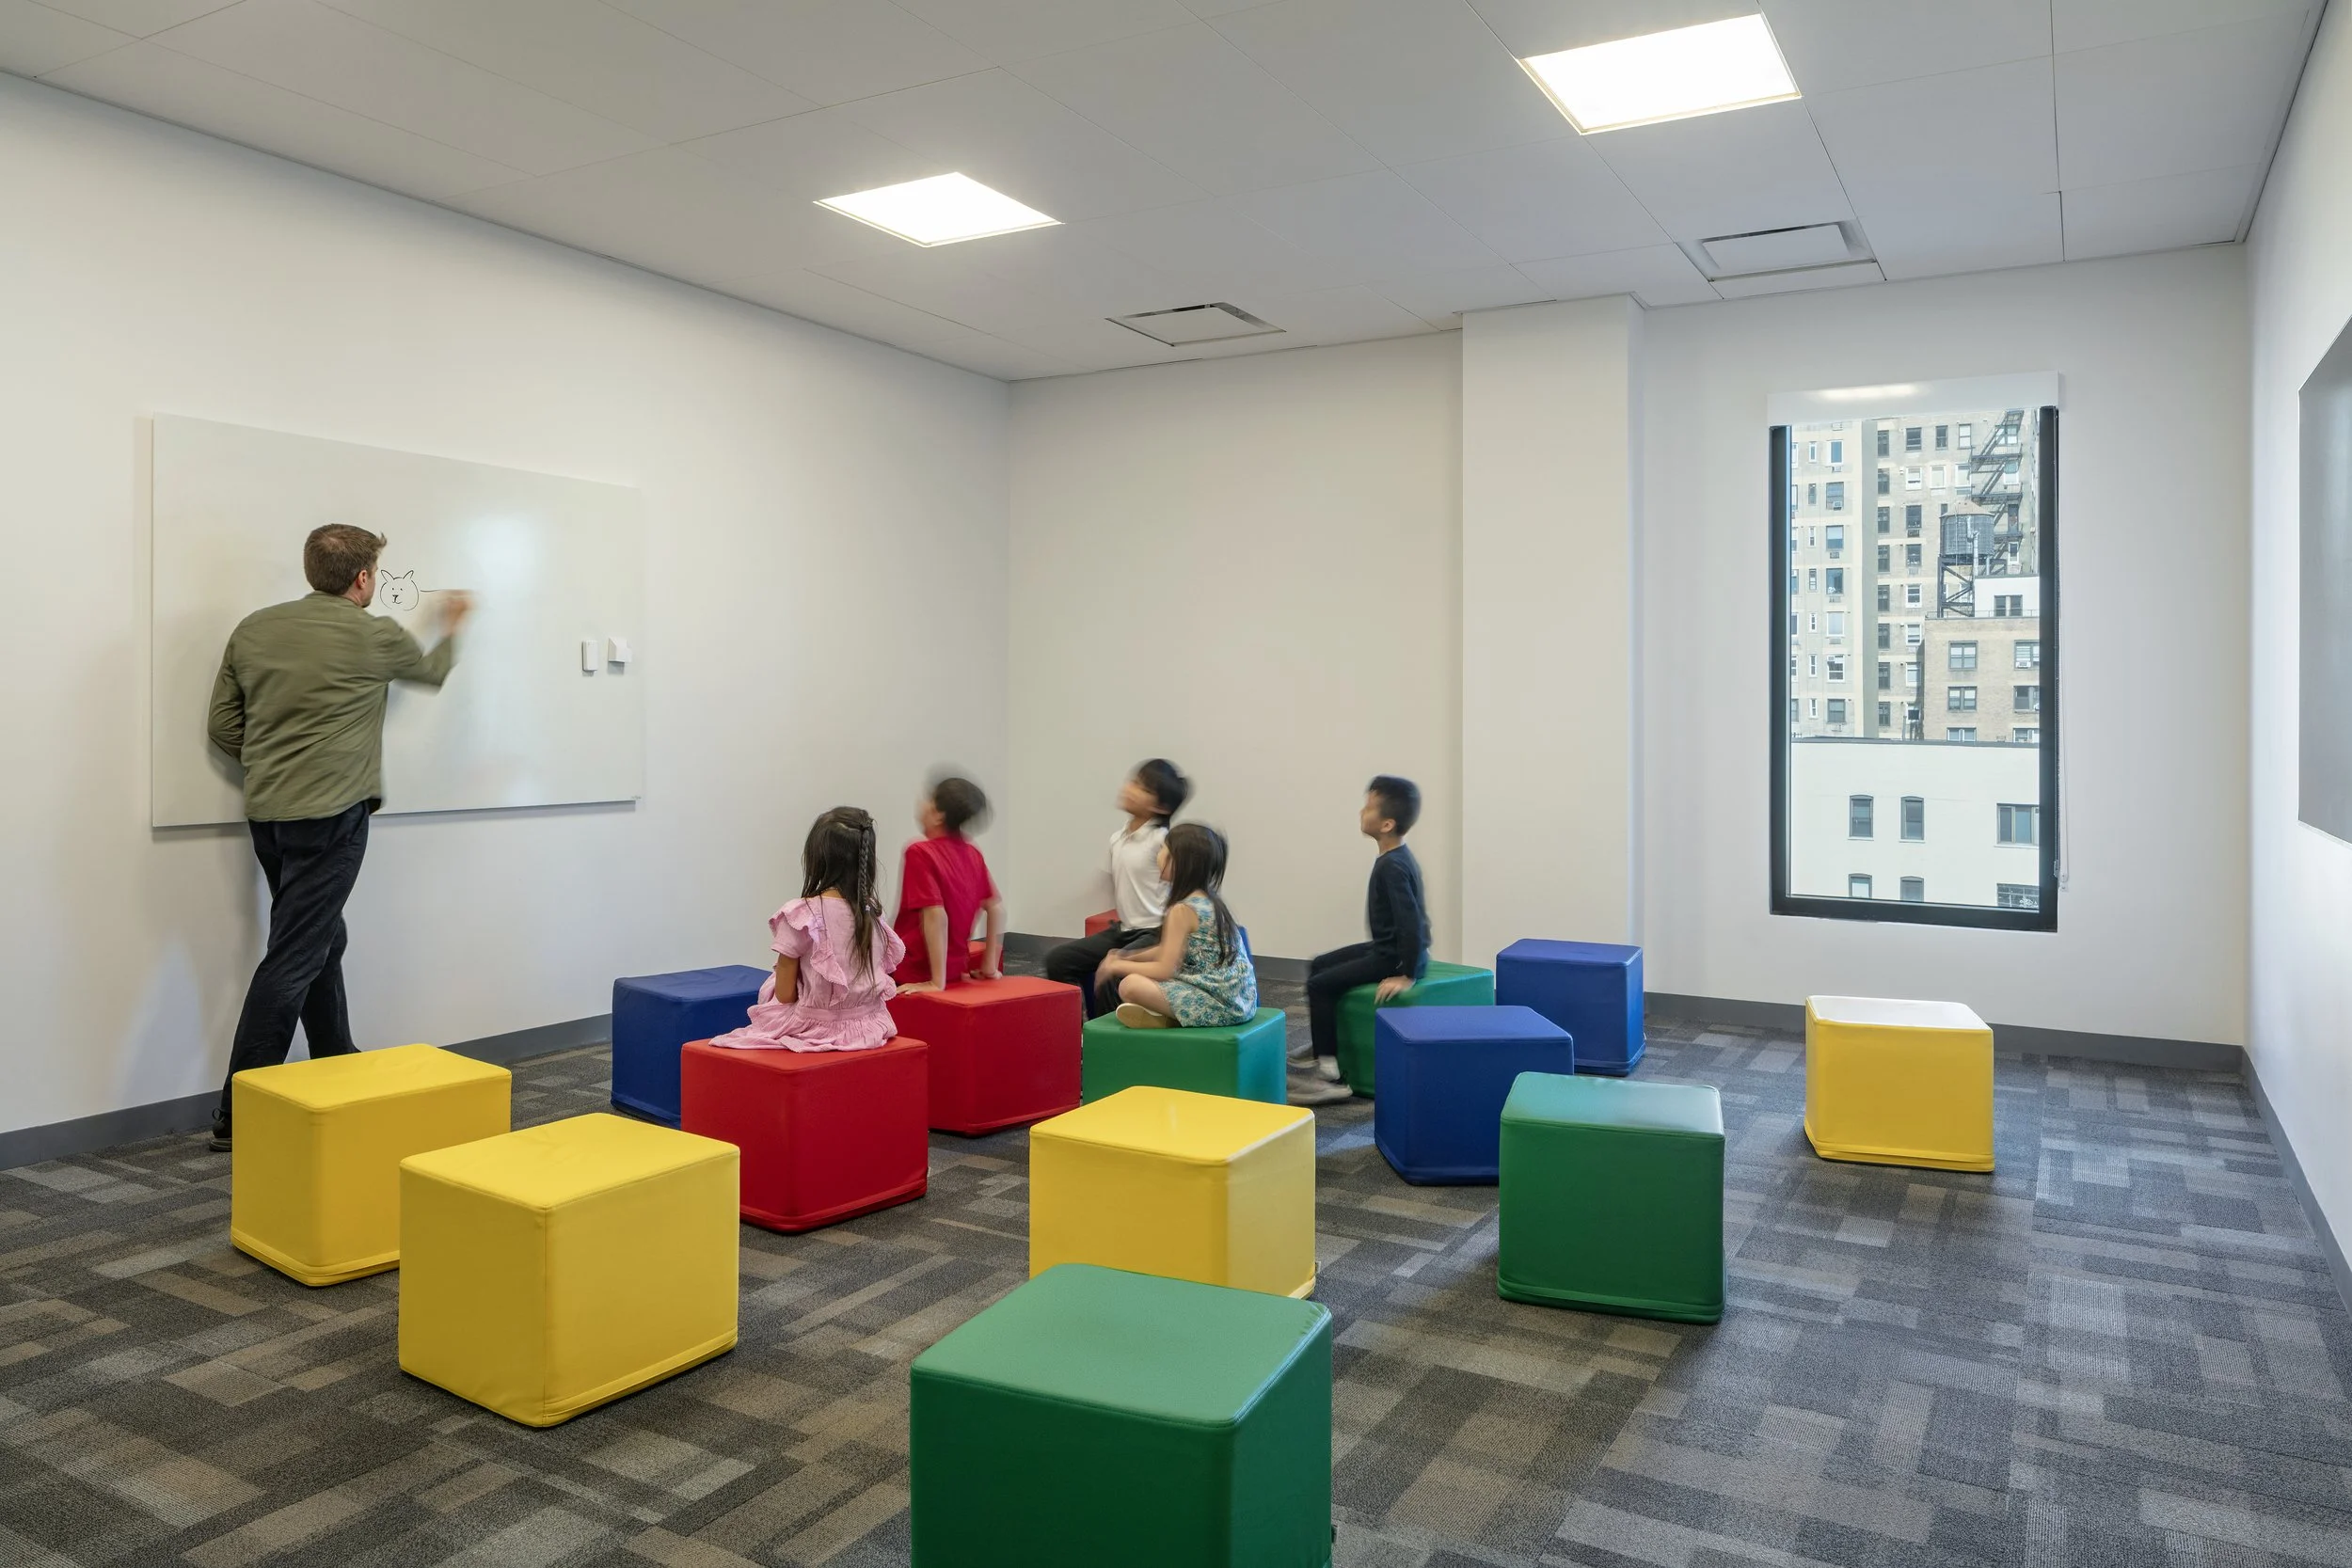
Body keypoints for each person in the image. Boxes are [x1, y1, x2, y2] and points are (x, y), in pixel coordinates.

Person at [204, 524, 472, 1150]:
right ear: (362, 578)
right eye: (375, 572)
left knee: (320, 933)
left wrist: (274, 760)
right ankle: (236, 1111)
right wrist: (453, 624)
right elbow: (430, 673)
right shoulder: (371, 632)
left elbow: (222, 725)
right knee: (296, 950)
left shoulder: (254, 628)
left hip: (269, 810)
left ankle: (334, 1054)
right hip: (331, 815)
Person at [709, 807, 902, 1052]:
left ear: (816, 858)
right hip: (870, 1026)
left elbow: (785, 994)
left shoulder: (802, 915)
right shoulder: (873, 913)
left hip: (815, 1026)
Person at [1289, 776, 1429, 1106]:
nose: (1361, 812)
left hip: (1393, 957)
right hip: (1389, 948)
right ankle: (1324, 1043)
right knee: (1320, 964)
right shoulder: (1395, 858)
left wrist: (1406, 972)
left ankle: (1329, 1076)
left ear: (1386, 824)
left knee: (1320, 985)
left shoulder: (1392, 866)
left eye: (1368, 807)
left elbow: (1411, 922)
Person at [1043, 759, 1190, 1016]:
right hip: (1125, 929)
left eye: (1141, 788)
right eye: (1133, 782)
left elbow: (1186, 890)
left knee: (1115, 971)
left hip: (1155, 932)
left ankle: (1106, 1044)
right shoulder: (1118, 838)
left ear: (1160, 806)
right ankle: (1073, 1036)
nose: (1129, 789)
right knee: (1059, 960)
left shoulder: (1163, 840)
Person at [1099, 823, 1258, 1029]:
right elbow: (1169, 950)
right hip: (1241, 1001)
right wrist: (1129, 956)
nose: (1159, 855)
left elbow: (1164, 968)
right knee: (1141, 980)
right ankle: (1163, 1017)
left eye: (1164, 849)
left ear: (1179, 861)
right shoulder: (1208, 900)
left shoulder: (1182, 910)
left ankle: (1168, 1019)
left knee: (1130, 985)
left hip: (1219, 1005)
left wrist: (1116, 966)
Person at [891, 775, 1005, 992]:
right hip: (954, 970)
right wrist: (989, 967)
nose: (920, 805)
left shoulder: (920, 852)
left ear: (938, 815)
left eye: (927, 799)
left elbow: (935, 914)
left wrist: (936, 982)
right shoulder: (972, 852)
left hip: (913, 970)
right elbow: (996, 909)